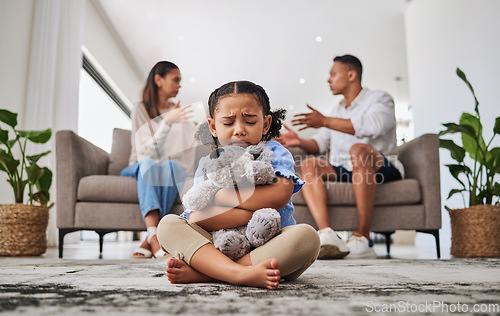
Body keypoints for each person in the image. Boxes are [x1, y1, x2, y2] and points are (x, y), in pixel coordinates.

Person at [156, 80, 320, 290]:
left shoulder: (275, 152)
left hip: (269, 244)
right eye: (228, 123)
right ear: (213, 126)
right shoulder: (208, 164)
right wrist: (253, 206)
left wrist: (223, 197)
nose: (239, 130)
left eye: (250, 122)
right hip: (218, 243)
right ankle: (240, 273)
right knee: (168, 225)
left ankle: (210, 273)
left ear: (266, 124)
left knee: (307, 237)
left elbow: (280, 195)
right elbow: (198, 218)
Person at [278, 54, 404, 259]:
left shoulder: (379, 99)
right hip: (347, 169)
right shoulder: (336, 110)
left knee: (358, 150)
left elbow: (373, 127)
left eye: (333, 74)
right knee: (309, 164)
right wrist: (298, 141)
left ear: (352, 74)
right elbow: (319, 143)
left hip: (381, 167)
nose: (329, 79)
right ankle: (327, 234)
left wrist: (325, 120)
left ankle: (363, 237)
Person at [120, 61, 196, 259]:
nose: (179, 85)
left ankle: (151, 237)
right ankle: (156, 238)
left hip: (163, 169)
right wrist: (167, 122)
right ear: (158, 80)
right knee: (149, 164)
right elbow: (145, 152)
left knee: (172, 167)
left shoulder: (178, 112)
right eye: (176, 79)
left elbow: (192, 143)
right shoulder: (141, 108)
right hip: (139, 164)